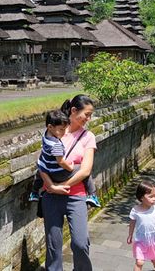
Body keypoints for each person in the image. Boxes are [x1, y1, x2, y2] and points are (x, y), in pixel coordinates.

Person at [40, 94, 97, 271]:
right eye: (86, 114)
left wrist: (62, 186)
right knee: (53, 245)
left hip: (76, 196)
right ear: (73, 111)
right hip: (51, 195)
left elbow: (86, 170)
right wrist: (51, 186)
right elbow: (42, 163)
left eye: (90, 115)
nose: (88, 118)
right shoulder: (55, 132)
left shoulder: (88, 136)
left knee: (81, 243)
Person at [28, 109, 101, 207]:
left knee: (39, 171)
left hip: (47, 170)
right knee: (83, 170)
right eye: (62, 130)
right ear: (50, 127)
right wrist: (70, 167)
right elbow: (61, 161)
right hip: (59, 173)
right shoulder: (56, 144)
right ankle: (92, 194)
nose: (64, 133)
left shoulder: (45, 136)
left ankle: (34, 192)